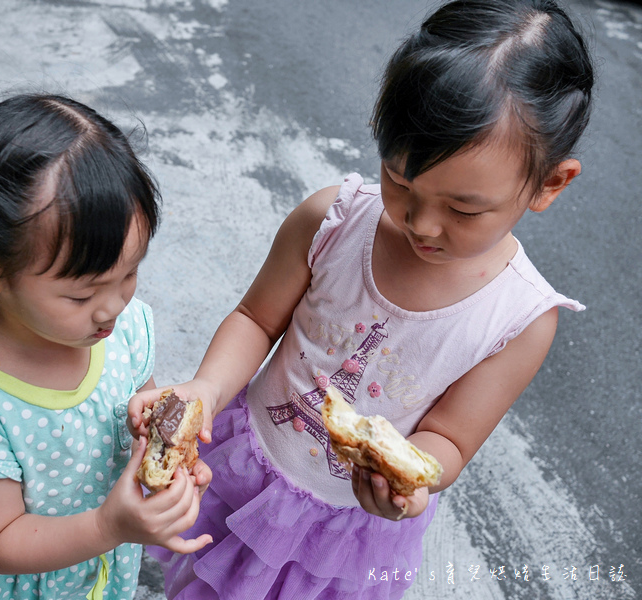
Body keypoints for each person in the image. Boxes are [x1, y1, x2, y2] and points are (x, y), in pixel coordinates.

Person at [128, 1, 595, 598]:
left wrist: (405, 481)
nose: (422, 223)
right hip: (251, 462)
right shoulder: (334, 221)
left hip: (345, 533)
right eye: (400, 181)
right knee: (202, 579)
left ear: (550, 183)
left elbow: (448, 439)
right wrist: (207, 390)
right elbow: (255, 318)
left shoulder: (519, 321)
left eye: (463, 209)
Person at [0, 94, 212, 600]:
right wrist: (109, 527)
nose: (112, 307)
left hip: (100, 573)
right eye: (82, 293)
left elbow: (142, 426)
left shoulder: (121, 329)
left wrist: (162, 457)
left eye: (129, 274)